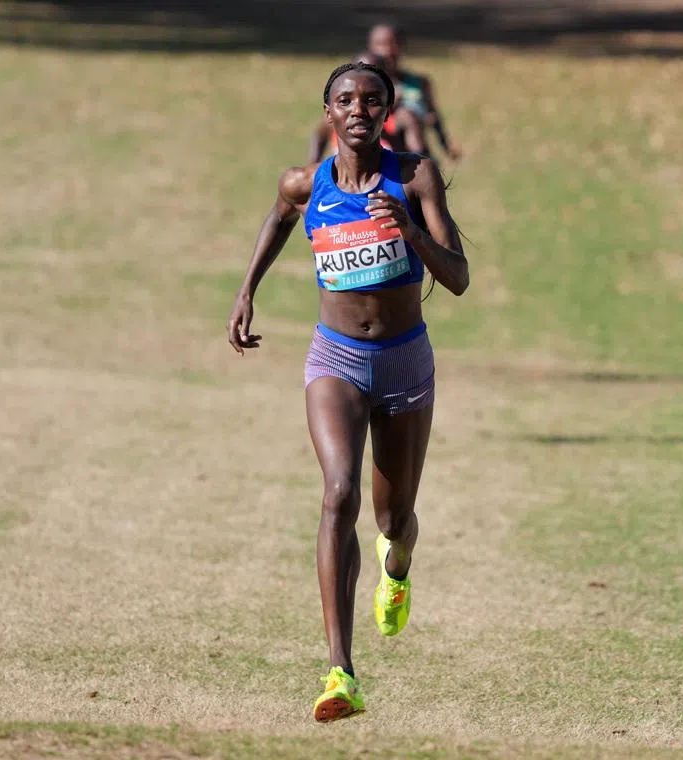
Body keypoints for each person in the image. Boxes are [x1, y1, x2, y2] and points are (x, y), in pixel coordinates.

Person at [227, 61, 469, 722]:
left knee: (394, 520)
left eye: (371, 100)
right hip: (335, 357)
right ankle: (341, 672)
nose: (358, 109)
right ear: (328, 112)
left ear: (386, 112)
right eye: (345, 100)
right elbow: (279, 217)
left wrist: (410, 230)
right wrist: (247, 291)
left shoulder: (414, 177)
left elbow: (458, 278)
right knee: (338, 493)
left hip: (404, 361)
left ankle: (398, 568)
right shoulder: (304, 184)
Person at [306, 52, 427, 164]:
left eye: (373, 73)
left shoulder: (403, 117)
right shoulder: (337, 116)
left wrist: (384, 136)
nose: (358, 111)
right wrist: (314, 167)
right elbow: (319, 137)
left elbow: (420, 157)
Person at [366, 23, 462, 162]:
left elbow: (434, 116)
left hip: (416, 148)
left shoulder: (419, 83)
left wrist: (445, 145)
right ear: (370, 47)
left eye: (393, 43)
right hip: (382, 151)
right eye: (380, 44)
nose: (387, 51)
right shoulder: (366, 86)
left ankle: (423, 164)